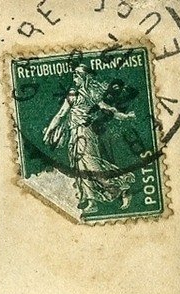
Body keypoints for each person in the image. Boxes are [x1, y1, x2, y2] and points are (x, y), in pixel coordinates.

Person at [43, 65, 136, 214]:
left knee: (92, 166)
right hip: (74, 135)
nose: (74, 79)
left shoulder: (91, 95)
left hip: (86, 134)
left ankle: (123, 187)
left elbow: (108, 110)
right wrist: (49, 130)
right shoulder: (72, 95)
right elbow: (60, 115)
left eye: (77, 76)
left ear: (84, 77)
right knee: (80, 168)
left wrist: (125, 116)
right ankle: (91, 201)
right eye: (74, 76)